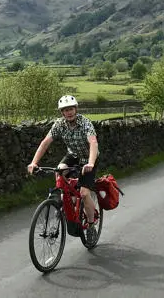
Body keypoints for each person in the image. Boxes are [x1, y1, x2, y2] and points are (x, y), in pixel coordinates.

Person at [27, 95, 99, 231]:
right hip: (73, 155)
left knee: (84, 193)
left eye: (71, 109)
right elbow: (45, 143)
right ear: (62, 112)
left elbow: (93, 143)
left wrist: (90, 163)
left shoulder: (85, 123)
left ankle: (91, 224)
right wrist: (34, 162)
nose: (69, 112)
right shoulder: (59, 124)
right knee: (59, 170)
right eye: (66, 110)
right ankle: (66, 201)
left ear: (76, 109)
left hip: (89, 157)